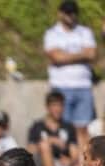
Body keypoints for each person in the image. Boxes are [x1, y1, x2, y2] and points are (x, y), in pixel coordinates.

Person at [44, 1, 97, 146]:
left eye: (73, 12)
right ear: (60, 14)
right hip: (61, 86)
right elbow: (56, 57)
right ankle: (69, 158)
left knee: (84, 128)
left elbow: (92, 54)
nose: (71, 16)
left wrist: (66, 56)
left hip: (83, 86)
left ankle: (84, 158)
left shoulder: (85, 32)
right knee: (65, 129)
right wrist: (81, 54)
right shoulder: (52, 33)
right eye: (67, 13)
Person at [27, 90, 84, 166]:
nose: (58, 109)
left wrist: (70, 161)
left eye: (60, 105)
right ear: (47, 107)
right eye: (54, 105)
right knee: (44, 146)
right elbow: (29, 150)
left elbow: (74, 152)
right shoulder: (37, 126)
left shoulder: (68, 127)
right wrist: (50, 141)